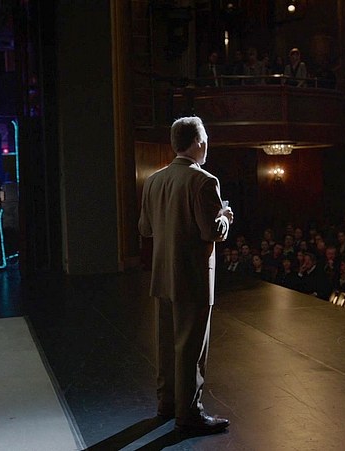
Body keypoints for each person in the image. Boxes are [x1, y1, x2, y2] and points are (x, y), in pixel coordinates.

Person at [138, 116, 232, 436]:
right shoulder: (204, 181)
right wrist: (225, 217)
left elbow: (145, 228)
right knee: (190, 349)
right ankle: (189, 415)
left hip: (162, 275)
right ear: (197, 143)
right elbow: (211, 231)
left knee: (166, 345)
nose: (206, 144)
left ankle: (167, 404)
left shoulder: (153, 180)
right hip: (192, 277)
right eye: (204, 139)